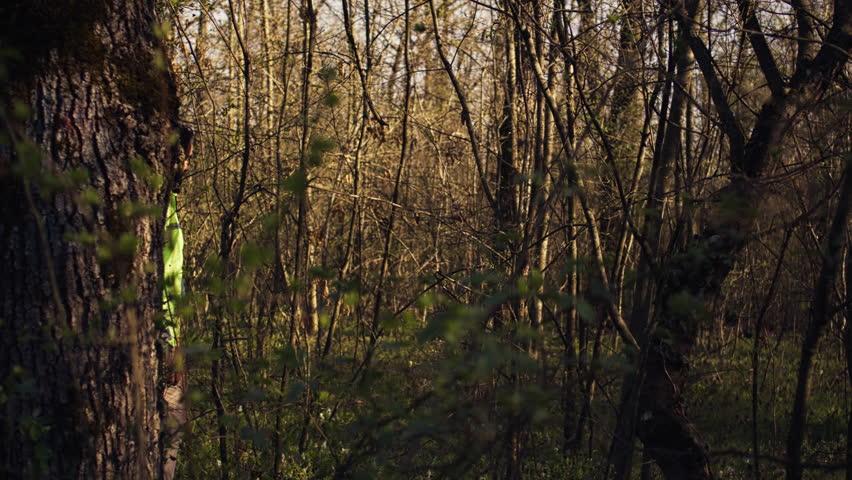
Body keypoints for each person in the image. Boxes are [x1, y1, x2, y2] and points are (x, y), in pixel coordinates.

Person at [160, 126, 193, 480]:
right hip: (158, 343)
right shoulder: (157, 212)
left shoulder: (169, 207)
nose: (186, 165)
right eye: (182, 157)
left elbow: (175, 284)